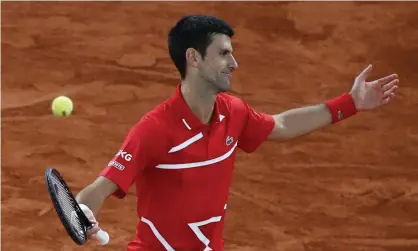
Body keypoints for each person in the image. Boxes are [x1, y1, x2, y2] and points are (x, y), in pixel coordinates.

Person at [75, 15, 399, 251]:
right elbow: (100, 188)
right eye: (223, 53)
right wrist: (83, 212)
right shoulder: (155, 129)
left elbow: (282, 125)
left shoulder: (233, 112)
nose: (235, 63)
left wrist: (350, 103)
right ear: (194, 58)